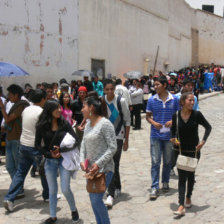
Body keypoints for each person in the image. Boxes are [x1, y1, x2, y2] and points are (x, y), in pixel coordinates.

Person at [35, 100, 80, 224]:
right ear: (49, 110)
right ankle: (53, 216)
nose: (60, 110)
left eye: (60, 108)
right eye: (57, 108)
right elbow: (37, 145)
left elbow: (76, 140)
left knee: (65, 188)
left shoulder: (64, 123)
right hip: (50, 161)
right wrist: (49, 154)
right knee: (52, 190)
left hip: (64, 160)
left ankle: (73, 209)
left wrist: (62, 150)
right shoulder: (41, 126)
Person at [3, 89, 48, 212]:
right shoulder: (42, 112)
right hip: (36, 148)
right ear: (43, 99)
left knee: (20, 173)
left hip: (24, 145)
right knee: (44, 172)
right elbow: (43, 131)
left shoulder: (26, 110)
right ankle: (47, 196)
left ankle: (9, 198)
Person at [171, 92, 211, 216]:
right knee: (182, 178)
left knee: (191, 175)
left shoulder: (197, 115)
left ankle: (188, 196)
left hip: (194, 151)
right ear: (182, 102)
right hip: (180, 151)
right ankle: (181, 205)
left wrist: (203, 142)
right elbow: (173, 131)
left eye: (193, 100)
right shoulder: (176, 115)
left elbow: (208, 127)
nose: (192, 103)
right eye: (190, 100)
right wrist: (173, 139)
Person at [80, 96, 117, 224]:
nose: (81, 109)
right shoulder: (88, 124)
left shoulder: (105, 124)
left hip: (104, 169)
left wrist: (98, 163)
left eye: (84, 106)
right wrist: (81, 160)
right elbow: (83, 144)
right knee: (93, 201)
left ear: (91, 108)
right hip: (90, 171)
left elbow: (113, 147)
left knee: (96, 200)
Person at [146, 76, 179, 200]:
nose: (155, 87)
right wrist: (154, 123)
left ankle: (165, 182)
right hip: (155, 135)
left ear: (165, 85)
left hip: (170, 136)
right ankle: (154, 186)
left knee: (167, 161)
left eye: (157, 84)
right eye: (154, 85)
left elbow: (179, 115)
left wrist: (172, 121)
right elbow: (148, 116)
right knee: (155, 161)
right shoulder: (152, 100)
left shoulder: (174, 100)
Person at [103, 79, 130, 207]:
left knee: (113, 162)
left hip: (118, 135)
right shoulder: (101, 101)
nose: (109, 91)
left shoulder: (121, 101)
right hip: (105, 136)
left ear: (114, 89)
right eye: (107, 89)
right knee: (112, 163)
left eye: (111, 89)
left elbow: (127, 120)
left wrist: (127, 140)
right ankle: (117, 186)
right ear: (104, 90)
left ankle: (111, 194)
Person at [0, 85, 29, 180]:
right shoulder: (14, 105)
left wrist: (2, 107)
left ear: (16, 95)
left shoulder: (21, 105)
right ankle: (16, 186)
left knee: (17, 166)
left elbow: (8, 119)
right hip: (10, 137)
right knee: (9, 166)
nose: (8, 96)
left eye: (10, 94)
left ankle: (18, 188)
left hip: (17, 139)